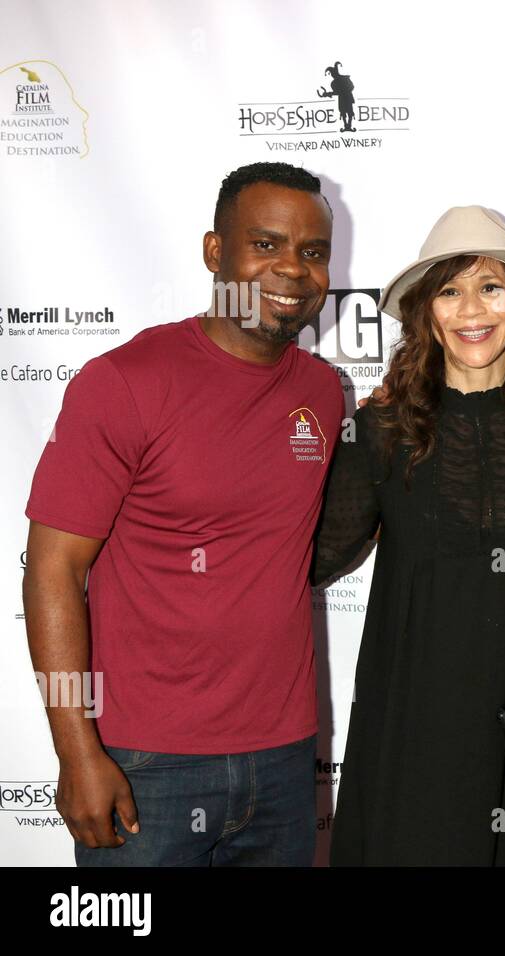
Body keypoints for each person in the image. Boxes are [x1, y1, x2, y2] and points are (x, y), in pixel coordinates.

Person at [23, 162, 343, 865]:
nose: (292, 268)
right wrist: (77, 750)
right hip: (144, 764)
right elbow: (52, 571)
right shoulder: (125, 383)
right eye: (266, 245)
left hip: (285, 760)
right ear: (214, 252)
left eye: (312, 252)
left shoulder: (322, 393)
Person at [311, 205, 505, 866]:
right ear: (427, 312)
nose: (471, 309)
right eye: (449, 290)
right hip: (411, 715)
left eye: (490, 286)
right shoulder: (383, 431)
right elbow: (314, 554)